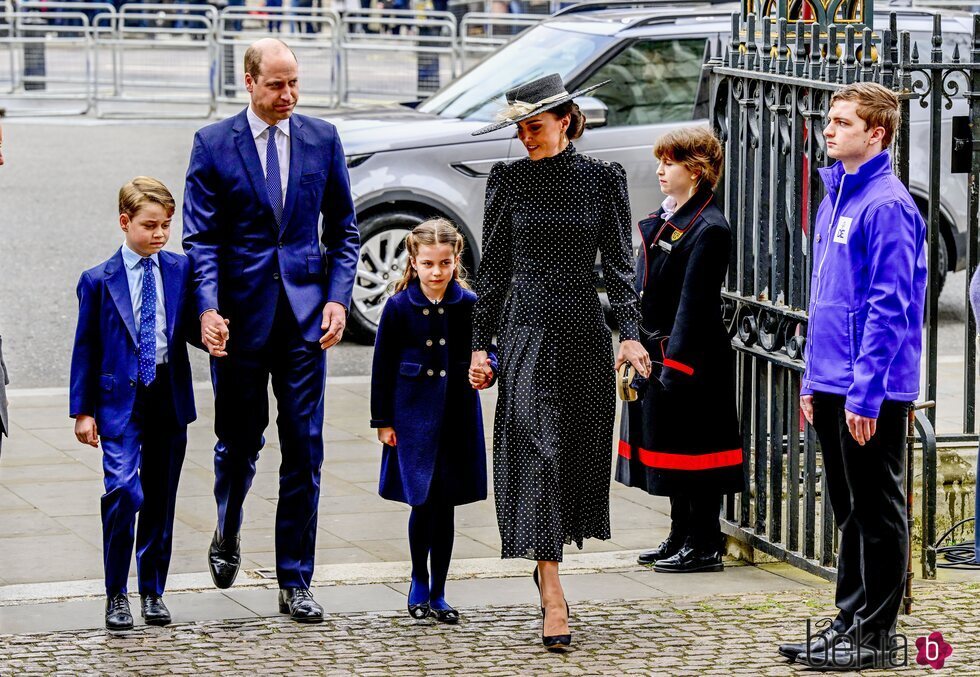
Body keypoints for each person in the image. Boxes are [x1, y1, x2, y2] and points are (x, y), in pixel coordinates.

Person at [182, 38, 360, 623]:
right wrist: (207, 309)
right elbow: (201, 240)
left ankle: (296, 580)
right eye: (276, 85)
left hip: (306, 323)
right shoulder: (212, 145)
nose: (288, 95)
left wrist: (337, 299)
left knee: (305, 447)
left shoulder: (322, 139)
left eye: (294, 84)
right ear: (250, 82)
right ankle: (227, 526)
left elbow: (344, 232)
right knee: (238, 444)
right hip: (237, 323)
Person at [469, 73, 649, 651]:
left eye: (535, 127)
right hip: (526, 329)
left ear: (566, 121)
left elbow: (620, 265)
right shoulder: (509, 180)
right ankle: (552, 590)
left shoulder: (603, 179)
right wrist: (481, 341)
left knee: (571, 452)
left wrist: (629, 334)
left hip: (582, 332)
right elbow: (492, 267)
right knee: (536, 449)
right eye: (519, 129)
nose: (525, 138)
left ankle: (548, 558)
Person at [779, 82, 927, 670]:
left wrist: (864, 396)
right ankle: (849, 619)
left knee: (877, 511)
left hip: (872, 391)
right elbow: (828, 299)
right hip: (834, 383)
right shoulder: (837, 194)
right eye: (829, 119)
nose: (829, 128)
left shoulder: (887, 204)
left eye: (843, 122)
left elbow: (890, 307)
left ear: (877, 133)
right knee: (849, 511)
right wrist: (814, 382)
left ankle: (877, 635)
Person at [69, 177, 197, 631]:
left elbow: (191, 327)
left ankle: (153, 591)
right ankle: (116, 594)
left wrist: (215, 330)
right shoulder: (98, 280)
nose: (160, 234)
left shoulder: (181, 269)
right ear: (125, 223)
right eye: (149, 225)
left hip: (167, 393)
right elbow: (85, 348)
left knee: (161, 498)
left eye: (166, 225)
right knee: (124, 490)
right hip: (118, 400)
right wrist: (83, 411)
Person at [616, 126, 745, 574]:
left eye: (669, 163)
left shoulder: (709, 227)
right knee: (670, 449)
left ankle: (704, 543)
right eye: (661, 161)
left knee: (697, 454)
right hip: (659, 350)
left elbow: (695, 305)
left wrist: (675, 365)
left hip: (691, 359)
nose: (659, 170)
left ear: (697, 170)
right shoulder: (672, 216)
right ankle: (679, 533)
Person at [370, 218, 496, 624]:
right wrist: (383, 420)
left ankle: (439, 590)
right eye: (428, 263)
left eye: (444, 263)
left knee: (446, 506)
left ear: (456, 260)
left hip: (457, 418)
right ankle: (417, 578)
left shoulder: (470, 304)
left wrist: (487, 369)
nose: (437, 272)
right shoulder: (398, 306)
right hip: (411, 420)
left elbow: (488, 352)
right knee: (421, 502)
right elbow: (382, 365)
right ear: (414, 261)